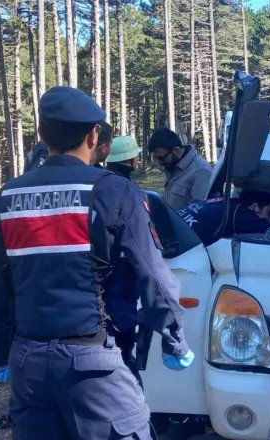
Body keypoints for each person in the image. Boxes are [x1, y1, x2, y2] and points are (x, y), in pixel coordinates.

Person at [0, 86, 194, 440]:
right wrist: (174, 338)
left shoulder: (5, 199)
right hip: (95, 368)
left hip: (29, 366)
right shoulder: (113, 190)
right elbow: (154, 274)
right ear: (94, 135)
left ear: (42, 135)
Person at [102, 135, 144, 382]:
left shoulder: (99, 186)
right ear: (130, 161)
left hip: (104, 274)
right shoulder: (128, 192)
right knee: (124, 334)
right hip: (122, 271)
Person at [177, 192, 270, 247]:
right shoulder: (241, 213)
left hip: (176, 228)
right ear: (255, 206)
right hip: (182, 243)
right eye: (268, 213)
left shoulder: (231, 203)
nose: (268, 219)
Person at [147, 128, 212, 210]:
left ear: (176, 150)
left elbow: (199, 210)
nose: (160, 162)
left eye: (162, 158)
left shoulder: (201, 171)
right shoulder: (172, 166)